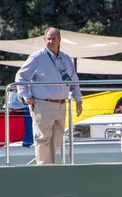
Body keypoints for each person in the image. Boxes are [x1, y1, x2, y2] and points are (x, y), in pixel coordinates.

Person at [15, 27, 83, 164]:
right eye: (48, 39)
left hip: (61, 105)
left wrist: (78, 100)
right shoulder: (37, 57)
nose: (50, 41)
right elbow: (20, 76)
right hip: (42, 104)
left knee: (57, 137)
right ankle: (43, 169)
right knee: (42, 138)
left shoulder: (66, 58)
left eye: (53, 39)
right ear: (44, 40)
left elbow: (74, 81)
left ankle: (49, 167)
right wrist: (26, 96)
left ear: (59, 40)